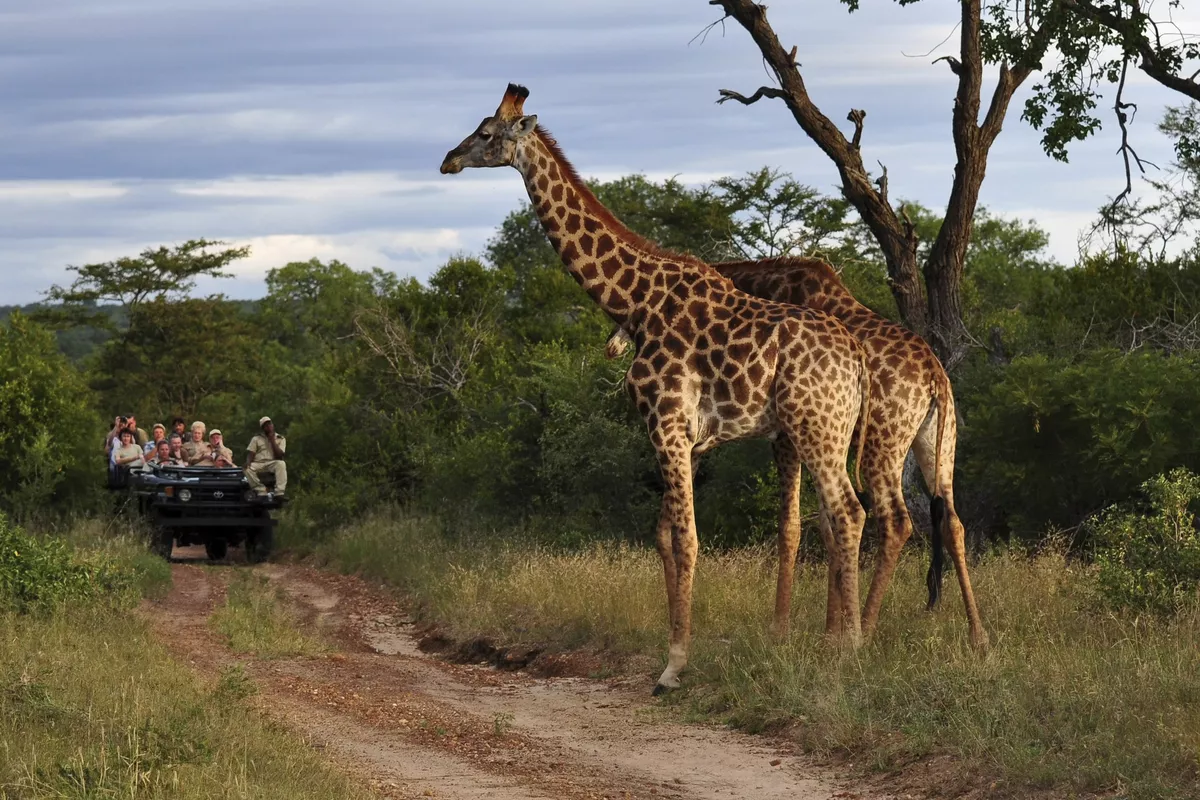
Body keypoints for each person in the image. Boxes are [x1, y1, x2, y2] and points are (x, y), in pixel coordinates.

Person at [245, 416, 287, 498]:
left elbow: (280, 456)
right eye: (266, 425)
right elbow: (251, 453)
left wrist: (272, 440)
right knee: (247, 468)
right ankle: (261, 490)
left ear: (272, 425)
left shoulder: (280, 438)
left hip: (272, 463)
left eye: (269, 424)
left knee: (281, 464)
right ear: (263, 428)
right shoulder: (256, 438)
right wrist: (248, 462)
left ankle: (279, 492)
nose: (268, 426)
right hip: (259, 463)